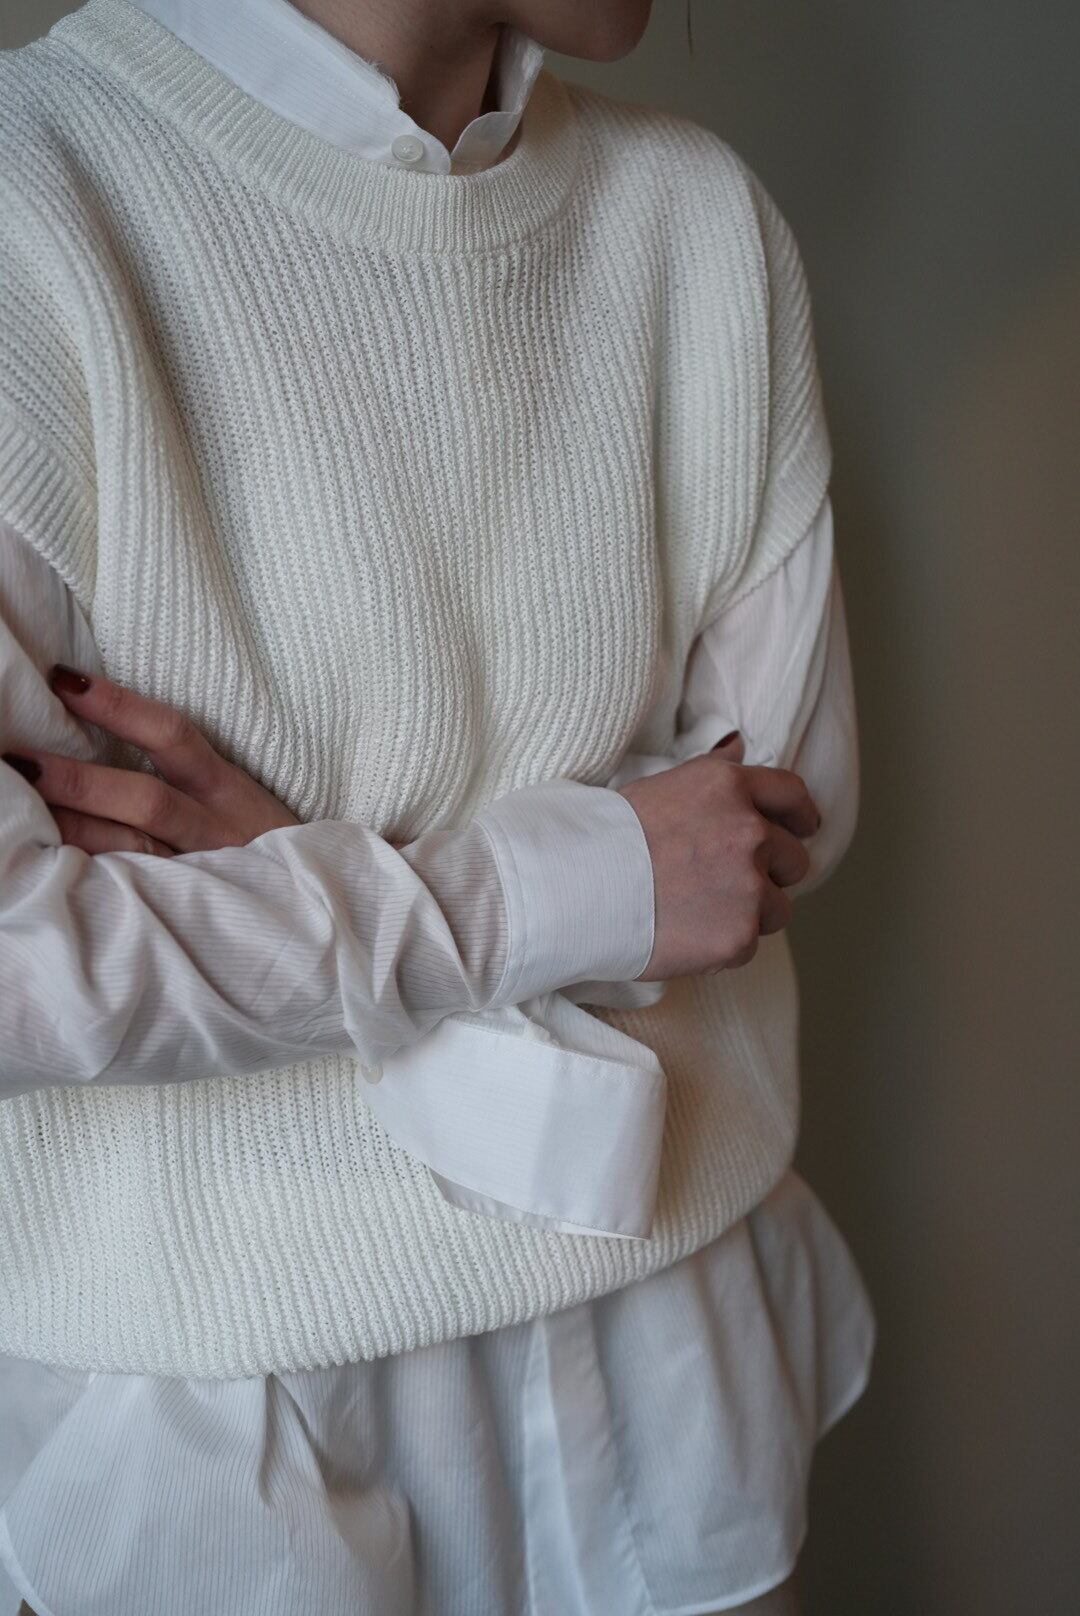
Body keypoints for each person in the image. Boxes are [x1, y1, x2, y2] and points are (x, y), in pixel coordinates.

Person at [0, 0, 875, 1611]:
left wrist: (285, 882)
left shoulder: (697, 221)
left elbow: (758, 838)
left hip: (673, 1338)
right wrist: (555, 889)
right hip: (222, 1427)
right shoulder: (33, 204)